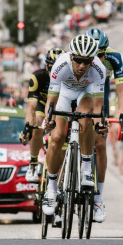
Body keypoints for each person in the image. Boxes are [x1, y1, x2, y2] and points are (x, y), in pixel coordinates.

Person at [41, 34, 107, 216]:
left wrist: (99, 123)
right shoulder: (60, 66)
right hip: (64, 92)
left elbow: (99, 106)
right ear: (71, 57)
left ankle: (87, 168)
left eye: (87, 62)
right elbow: (51, 102)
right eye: (78, 61)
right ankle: (51, 189)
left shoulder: (99, 70)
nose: (82, 66)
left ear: (92, 60)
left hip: (85, 92)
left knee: (86, 117)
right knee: (56, 137)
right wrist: (49, 119)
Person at [86, 27, 123, 223]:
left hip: (100, 92)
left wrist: (121, 110)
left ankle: (98, 199)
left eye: (101, 54)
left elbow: (121, 90)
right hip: (80, 89)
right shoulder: (77, 56)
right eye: (94, 55)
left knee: (100, 144)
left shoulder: (114, 57)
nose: (98, 59)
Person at [22, 47, 64, 183]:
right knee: (38, 121)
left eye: (60, 68)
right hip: (41, 103)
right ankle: (33, 163)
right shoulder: (37, 77)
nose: (55, 72)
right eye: (52, 68)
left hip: (59, 104)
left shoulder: (69, 79)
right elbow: (31, 108)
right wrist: (28, 128)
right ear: (46, 66)